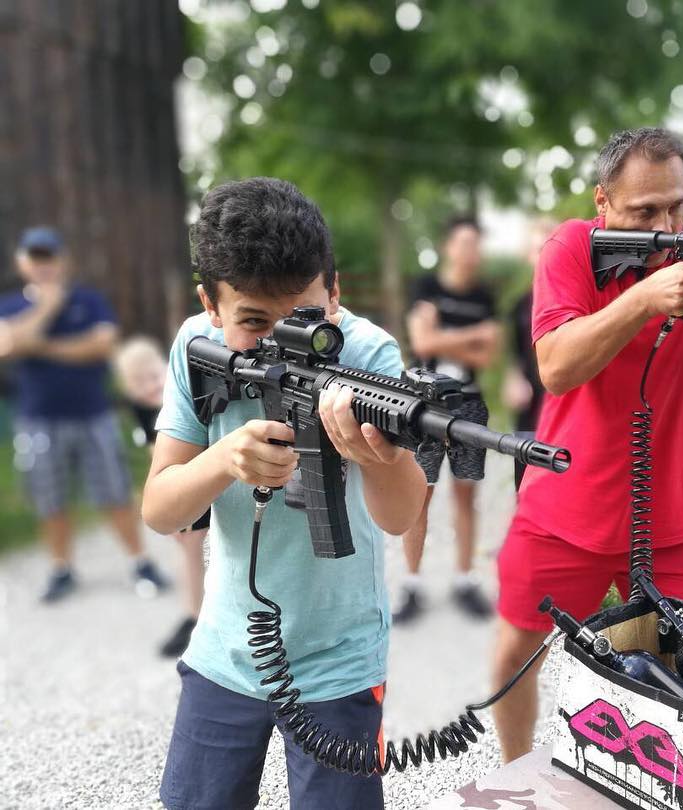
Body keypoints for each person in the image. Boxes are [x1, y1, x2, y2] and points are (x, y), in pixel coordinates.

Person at [491, 127, 683, 762]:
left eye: (677, 206)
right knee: (514, 660)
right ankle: (514, 775)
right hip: (562, 508)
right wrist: (643, 299)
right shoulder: (573, 246)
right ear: (603, 201)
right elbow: (554, 365)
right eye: (646, 211)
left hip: (671, 515)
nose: (668, 224)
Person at [144, 178, 427, 810]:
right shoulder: (197, 347)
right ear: (209, 307)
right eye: (254, 321)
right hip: (226, 650)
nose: (280, 341)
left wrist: (376, 458)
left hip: (339, 656)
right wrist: (224, 458)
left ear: (335, 291)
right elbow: (161, 508)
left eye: (304, 317)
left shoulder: (368, 353)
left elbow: (402, 514)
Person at [0, 226, 169, 603]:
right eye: (36, 258)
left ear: (63, 260)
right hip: (39, 419)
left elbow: (101, 344)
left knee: (113, 491)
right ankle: (61, 568)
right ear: (23, 263)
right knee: (50, 498)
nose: (44, 265)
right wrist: (48, 307)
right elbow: (6, 345)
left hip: (94, 415)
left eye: (50, 257)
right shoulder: (9, 305)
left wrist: (37, 343)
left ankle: (140, 562)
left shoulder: (90, 300)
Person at [393, 215, 501, 624]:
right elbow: (422, 342)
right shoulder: (427, 288)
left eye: (477, 244)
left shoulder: (484, 296)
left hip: (471, 403)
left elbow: (487, 357)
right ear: (448, 247)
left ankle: (464, 579)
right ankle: (412, 584)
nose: (472, 252)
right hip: (425, 406)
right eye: (465, 243)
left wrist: (446, 336)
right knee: (420, 493)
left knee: (466, 494)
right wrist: (473, 336)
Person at [114, 336, 209, 657]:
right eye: (139, 383)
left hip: (210, 470)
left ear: (167, 368)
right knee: (188, 545)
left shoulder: (187, 390)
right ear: (128, 390)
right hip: (182, 482)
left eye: (155, 376)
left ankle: (205, 614)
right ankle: (194, 614)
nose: (151, 386)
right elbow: (159, 459)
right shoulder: (141, 412)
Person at [502, 217, 557, 435]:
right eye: (538, 250)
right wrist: (513, 380)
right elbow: (516, 357)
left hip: (566, 411)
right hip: (531, 414)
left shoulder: (579, 300)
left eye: (550, 248)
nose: (544, 257)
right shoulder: (519, 305)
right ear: (527, 256)